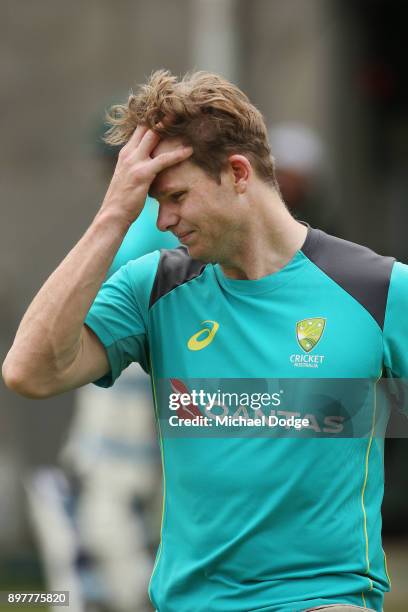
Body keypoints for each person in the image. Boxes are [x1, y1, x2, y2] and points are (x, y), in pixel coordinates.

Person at [3, 69, 406, 612]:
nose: (162, 219)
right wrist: (112, 215)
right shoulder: (155, 286)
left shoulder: (377, 289)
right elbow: (28, 372)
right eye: (149, 202)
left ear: (238, 173)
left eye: (174, 197)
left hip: (325, 599)